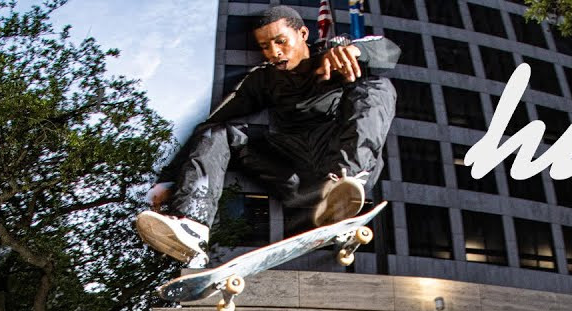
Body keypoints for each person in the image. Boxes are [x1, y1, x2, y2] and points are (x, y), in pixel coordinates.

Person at [135, 5, 400, 266]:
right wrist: (168, 178)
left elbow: (389, 50)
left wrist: (357, 50)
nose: (274, 52)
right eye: (265, 46)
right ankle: (193, 224)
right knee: (217, 132)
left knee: (377, 86)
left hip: (337, 156)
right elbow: (211, 122)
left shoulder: (334, 56)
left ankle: (347, 181)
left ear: (303, 34)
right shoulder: (262, 80)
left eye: (281, 42)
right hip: (294, 170)